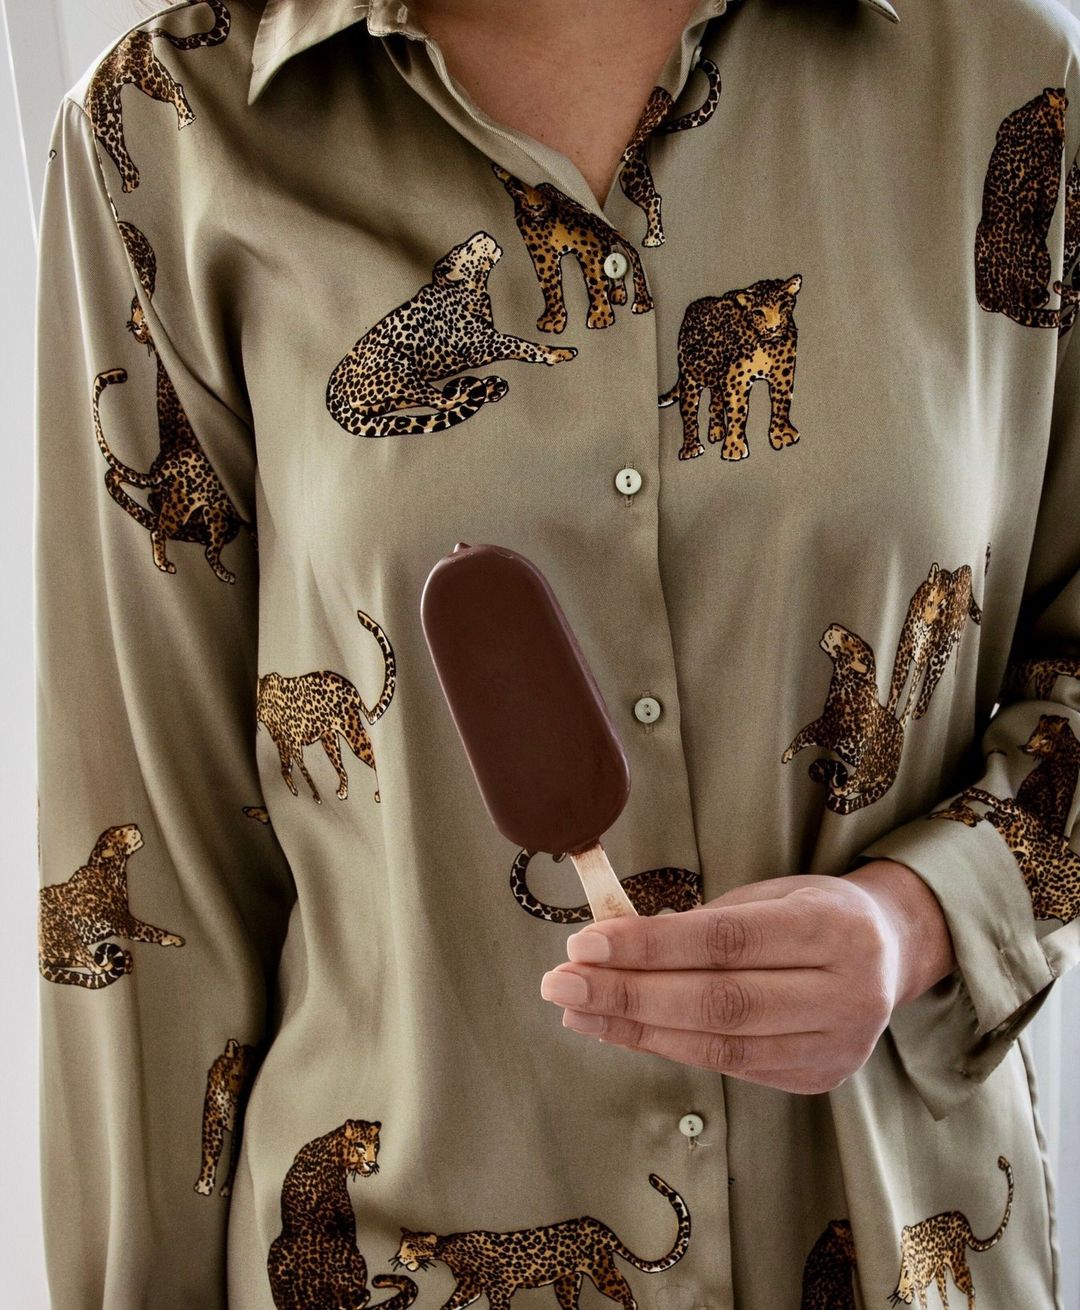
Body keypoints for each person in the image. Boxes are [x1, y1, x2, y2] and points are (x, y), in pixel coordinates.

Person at [33, 0, 1080, 1304]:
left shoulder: (994, 79)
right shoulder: (170, 123)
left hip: (890, 1244)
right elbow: (150, 840)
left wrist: (919, 917)